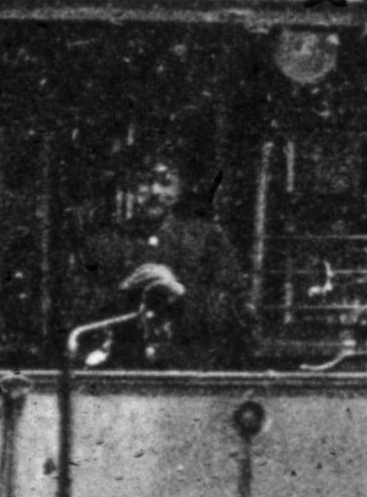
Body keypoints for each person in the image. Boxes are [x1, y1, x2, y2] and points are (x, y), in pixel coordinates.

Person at [70, 157, 249, 367]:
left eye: (165, 183)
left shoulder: (208, 240)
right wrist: (124, 290)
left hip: (191, 371)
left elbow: (239, 313)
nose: (155, 191)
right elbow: (76, 310)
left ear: (180, 188)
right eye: (145, 182)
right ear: (131, 186)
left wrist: (180, 292)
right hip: (122, 370)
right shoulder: (103, 243)